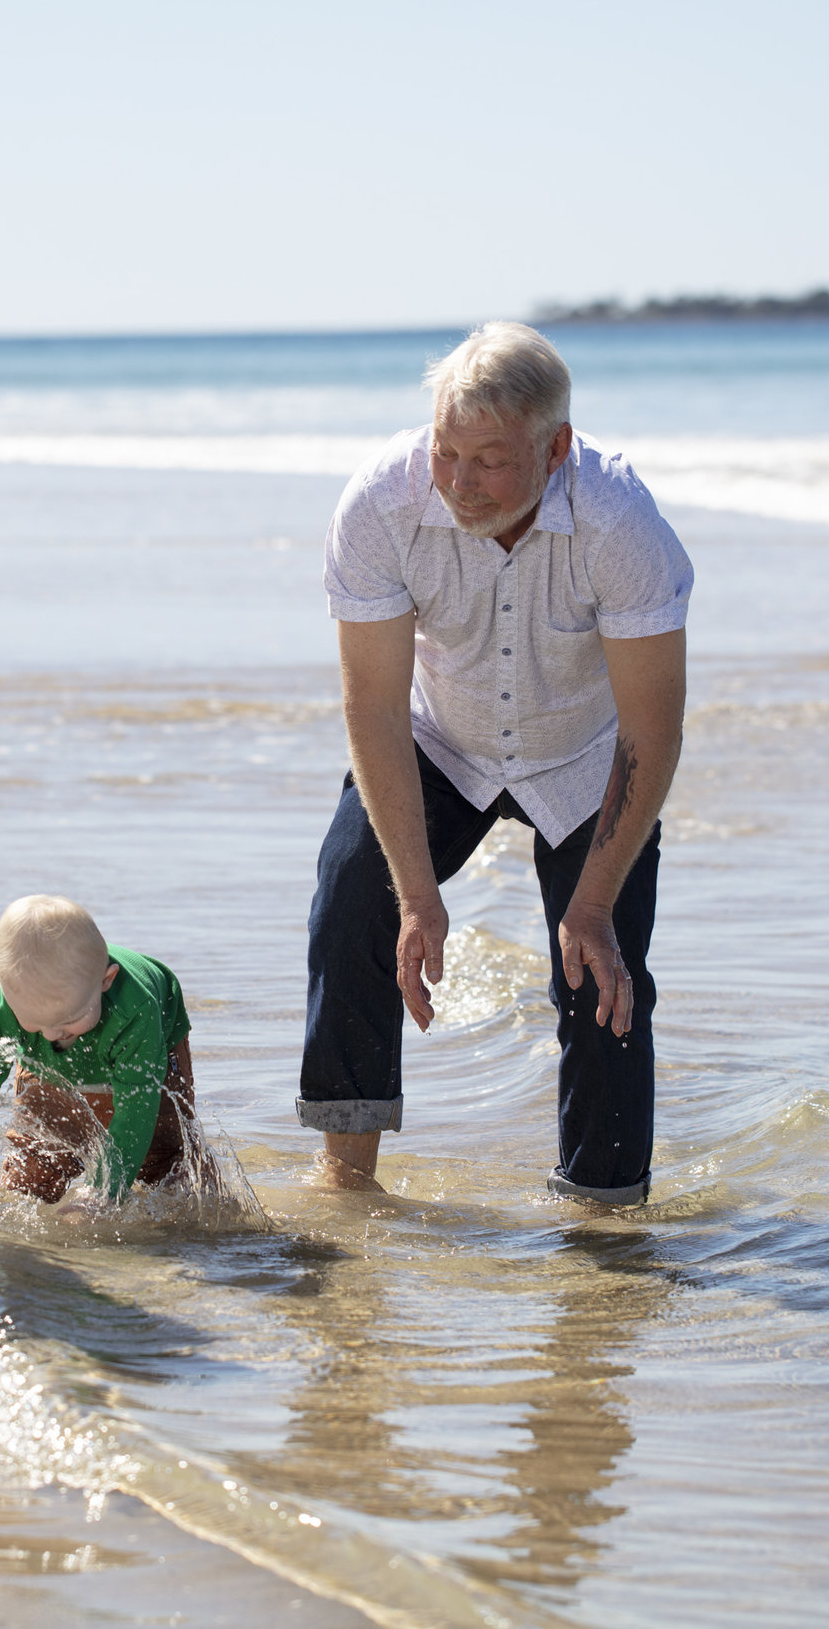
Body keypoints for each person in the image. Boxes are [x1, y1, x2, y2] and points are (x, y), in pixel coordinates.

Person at [299, 322, 691, 1204]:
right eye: (447, 451)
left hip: (589, 758)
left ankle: (603, 1220)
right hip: (445, 744)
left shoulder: (620, 521)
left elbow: (652, 732)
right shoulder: (381, 506)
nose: (461, 483)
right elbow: (371, 706)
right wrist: (414, 894)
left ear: (555, 450)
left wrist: (592, 905)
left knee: (605, 977)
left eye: (490, 460)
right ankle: (346, 1185)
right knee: (349, 901)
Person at [0, 896, 216, 1205]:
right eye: (33, 1023)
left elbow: (137, 1107)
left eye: (68, 1021)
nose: (51, 1035)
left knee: (165, 1160)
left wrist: (102, 1193)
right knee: (37, 1159)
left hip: (153, 1045)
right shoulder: (2, 1007)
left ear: (105, 980)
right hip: (50, 1065)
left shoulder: (136, 1011)